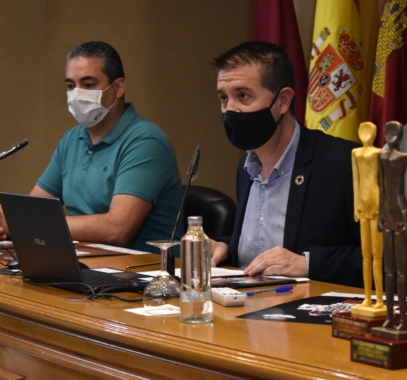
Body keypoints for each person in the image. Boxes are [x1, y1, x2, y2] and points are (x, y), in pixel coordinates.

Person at [0, 41, 183, 252]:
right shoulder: (71, 139)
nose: (77, 94)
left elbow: (117, 229)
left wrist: (25, 223)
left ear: (118, 88)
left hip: (144, 272)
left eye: (88, 85)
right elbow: (33, 211)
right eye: (70, 86)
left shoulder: (146, 141)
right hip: (87, 263)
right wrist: (9, 219)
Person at [209, 41, 364, 286]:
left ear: (283, 101)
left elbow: (399, 259)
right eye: (223, 98)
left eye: (243, 96)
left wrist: (308, 264)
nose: (230, 110)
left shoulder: (345, 163)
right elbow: (265, 243)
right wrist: (226, 247)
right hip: (246, 310)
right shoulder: (246, 168)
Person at [378, 121, 407, 331]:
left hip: (400, 214)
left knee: (401, 272)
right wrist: (381, 214)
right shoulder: (381, 157)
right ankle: (389, 318)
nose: (391, 137)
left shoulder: (406, 157)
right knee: (388, 270)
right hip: (387, 213)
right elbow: (382, 187)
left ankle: (401, 320)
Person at [351, 122, 385, 314]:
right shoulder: (355, 153)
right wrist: (356, 205)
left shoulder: (379, 153)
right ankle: (367, 297)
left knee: (377, 255)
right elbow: (356, 180)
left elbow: (385, 181)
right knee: (366, 255)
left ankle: (379, 298)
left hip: (377, 202)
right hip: (362, 204)